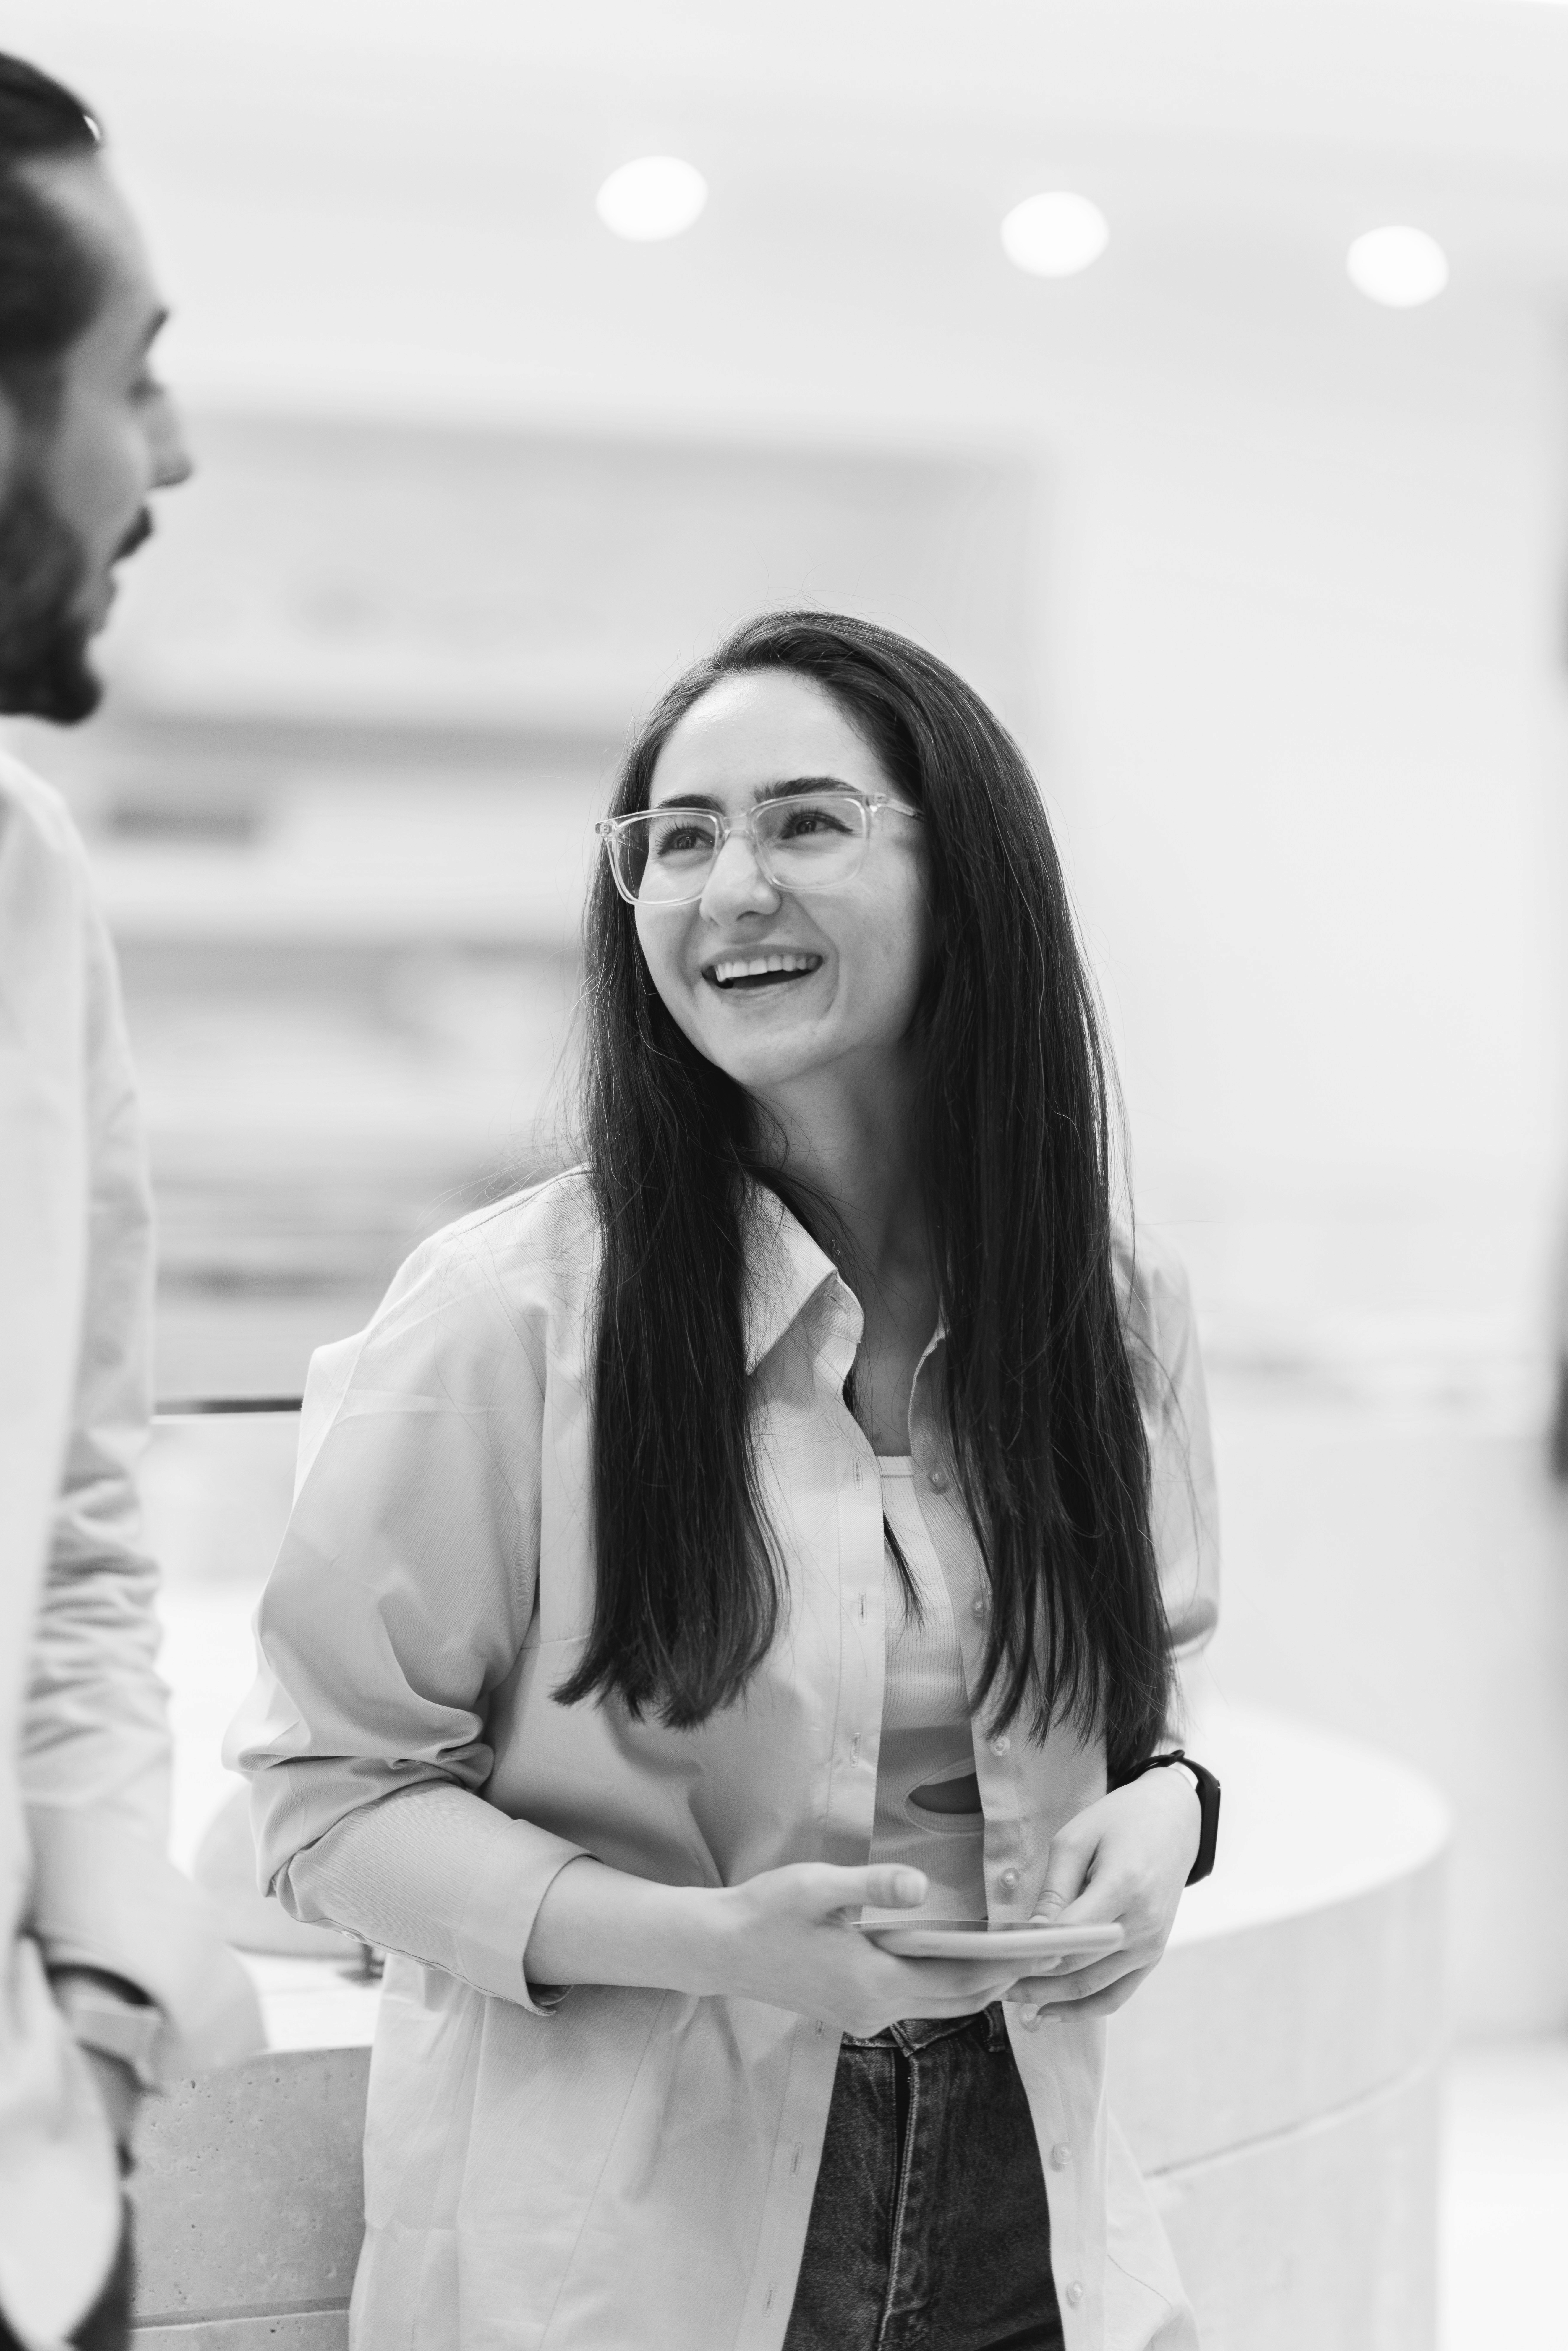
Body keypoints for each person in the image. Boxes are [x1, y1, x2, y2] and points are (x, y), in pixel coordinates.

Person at [233, 610, 1220, 2351]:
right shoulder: (501, 1316)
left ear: (965, 872)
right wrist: (720, 1943)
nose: (725, 887)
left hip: (1033, 2208)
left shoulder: (1106, 1305)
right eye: (676, 839)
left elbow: (1156, 1696)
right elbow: (325, 1805)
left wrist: (1175, 1813)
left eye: (805, 823)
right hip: (631, 2249)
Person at [0, 56, 261, 2351]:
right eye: (131, 377)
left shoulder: (31, 883)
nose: (164, 461)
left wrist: (93, 1984)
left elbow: (82, 1516)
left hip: (28, 2214)